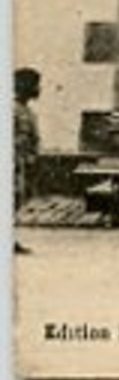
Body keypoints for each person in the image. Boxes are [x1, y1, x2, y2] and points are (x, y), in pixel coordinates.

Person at [14, 68, 42, 253]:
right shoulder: (13, 110)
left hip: (22, 162)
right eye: (35, 85)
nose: (39, 89)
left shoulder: (27, 111)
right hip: (13, 162)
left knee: (16, 199)